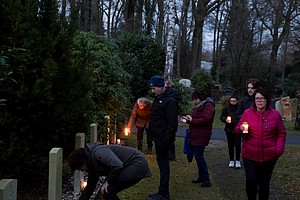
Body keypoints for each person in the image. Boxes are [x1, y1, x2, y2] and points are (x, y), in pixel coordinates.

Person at [235, 88, 286, 200]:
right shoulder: (247, 113)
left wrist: (278, 150)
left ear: (267, 100)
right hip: (250, 155)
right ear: (254, 100)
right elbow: (237, 130)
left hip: (269, 156)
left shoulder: (275, 115)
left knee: (264, 183)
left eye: (262, 98)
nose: (259, 101)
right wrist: (241, 128)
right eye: (257, 98)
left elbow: (281, 133)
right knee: (251, 180)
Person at [68, 142, 152, 200]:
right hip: (130, 166)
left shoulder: (98, 153)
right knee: (105, 191)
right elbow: (90, 187)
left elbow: (117, 165)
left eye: (80, 168)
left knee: (107, 190)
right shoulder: (91, 164)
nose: (82, 171)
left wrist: (107, 182)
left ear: (83, 162)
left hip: (136, 164)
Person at [148, 75, 178, 200]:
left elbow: (172, 123)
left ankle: (164, 194)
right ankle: (161, 191)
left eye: (154, 88)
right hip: (158, 138)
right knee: (162, 166)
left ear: (161, 87)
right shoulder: (159, 98)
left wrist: (166, 141)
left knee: (164, 166)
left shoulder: (170, 101)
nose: (152, 91)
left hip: (163, 140)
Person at [185, 90, 215, 187]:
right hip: (195, 134)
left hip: (201, 135)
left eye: (196, 99)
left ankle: (206, 178)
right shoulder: (199, 107)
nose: (194, 101)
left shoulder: (208, 106)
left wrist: (193, 120)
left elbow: (206, 120)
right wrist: (189, 120)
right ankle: (202, 176)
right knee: (198, 156)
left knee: (199, 156)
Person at [220, 96, 241, 168]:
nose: (232, 102)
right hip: (229, 129)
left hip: (238, 128)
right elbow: (222, 116)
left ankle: (238, 160)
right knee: (230, 145)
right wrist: (225, 119)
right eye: (231, 101)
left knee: (238, 144)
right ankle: (231, 160)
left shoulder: (239, 109)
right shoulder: (226, 109)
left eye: (234, 101)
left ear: (237, 101)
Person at [164, 80, 178, 161]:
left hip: (169, 119)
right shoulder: (174, 95)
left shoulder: (169, 96)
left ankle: (170, 154)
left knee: (169, 137)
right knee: (171, 139)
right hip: (173, 119)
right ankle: (172, 154)